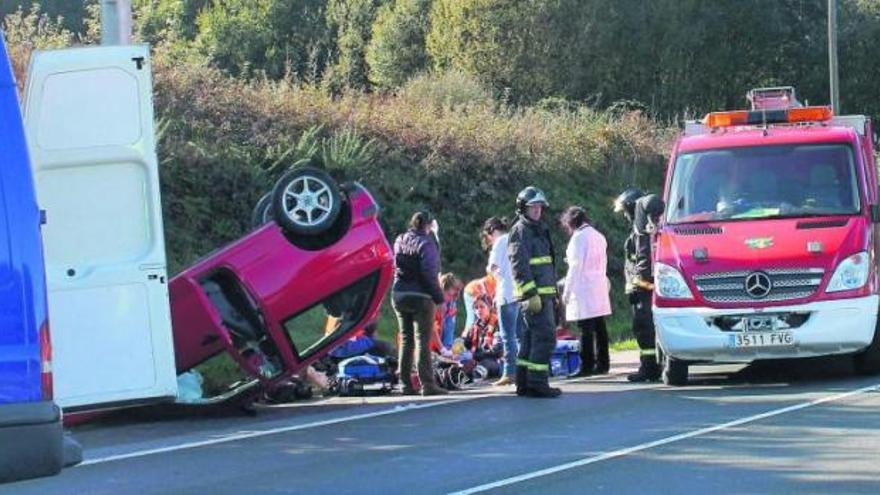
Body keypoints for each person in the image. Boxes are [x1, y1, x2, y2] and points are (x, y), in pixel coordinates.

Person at [508, 186, 561, 398]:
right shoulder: (520, 230)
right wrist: (530, 294)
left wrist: (553, 293)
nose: (538, 211)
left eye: (540, 207)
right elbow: (519, 264)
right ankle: (538, 383)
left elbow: (548, 263)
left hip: (544, 295)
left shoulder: (538, 229)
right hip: (534, 296)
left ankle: (524, 383)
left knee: (530, 339)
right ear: (523, 208)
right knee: (545, 338)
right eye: (533, 207)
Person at [391, 211, 448, 395]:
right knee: (422, 340)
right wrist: (439, 298)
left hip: (399, 292)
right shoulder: (426, 243)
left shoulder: (400, 239)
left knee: (406, 339)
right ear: (429, 225)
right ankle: (428, 384)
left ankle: (405, 384)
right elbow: (429, 273)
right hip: (420, 296)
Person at [615, 189, 664, 382]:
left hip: (643, 289)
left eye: (626, 210)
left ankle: (650, 367)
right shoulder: (639, 229)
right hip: (639, 288)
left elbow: (644, 261)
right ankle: (651, 365)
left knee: (644, 328)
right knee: (643, 328)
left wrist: (639, 285)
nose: (625, 215)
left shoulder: (642, 228)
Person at [560, 206, 611, 376]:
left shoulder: (578, 239)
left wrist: (566, 292)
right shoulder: (599, 236)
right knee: (600, 326)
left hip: (583, 288)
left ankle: (586, 365)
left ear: (570, 223)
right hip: (599, 285)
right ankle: (604, 363)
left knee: (585, 329)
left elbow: (575, 268)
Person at [483, 216, 520, 386]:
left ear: (491, 233)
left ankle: (509, 372)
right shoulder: (515, 237)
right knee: (520, 335)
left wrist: (498, 276)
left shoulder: (499, 243)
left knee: (508, 337)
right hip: (519, 291)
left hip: (505, 293)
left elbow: (492, 267)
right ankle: (522, 370)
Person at [461, 295, 503, 378]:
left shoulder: (498, 324)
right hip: (479, 359)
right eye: (476, 308)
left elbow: (497, 351)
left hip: (495, 362)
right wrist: (458, 346)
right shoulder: (475, 326)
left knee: (483, 365)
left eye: (482, 307)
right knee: (461, 364)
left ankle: (474, 374)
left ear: (489, 307)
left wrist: (474, 357)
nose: (478, 310)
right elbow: (466, 344)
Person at [438, 273, 463, 349]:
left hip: (445, 342)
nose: (451, 298)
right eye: (449, 295)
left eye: (453, 296)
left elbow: (450, 327)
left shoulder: (451, 304)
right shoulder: (433, 301)